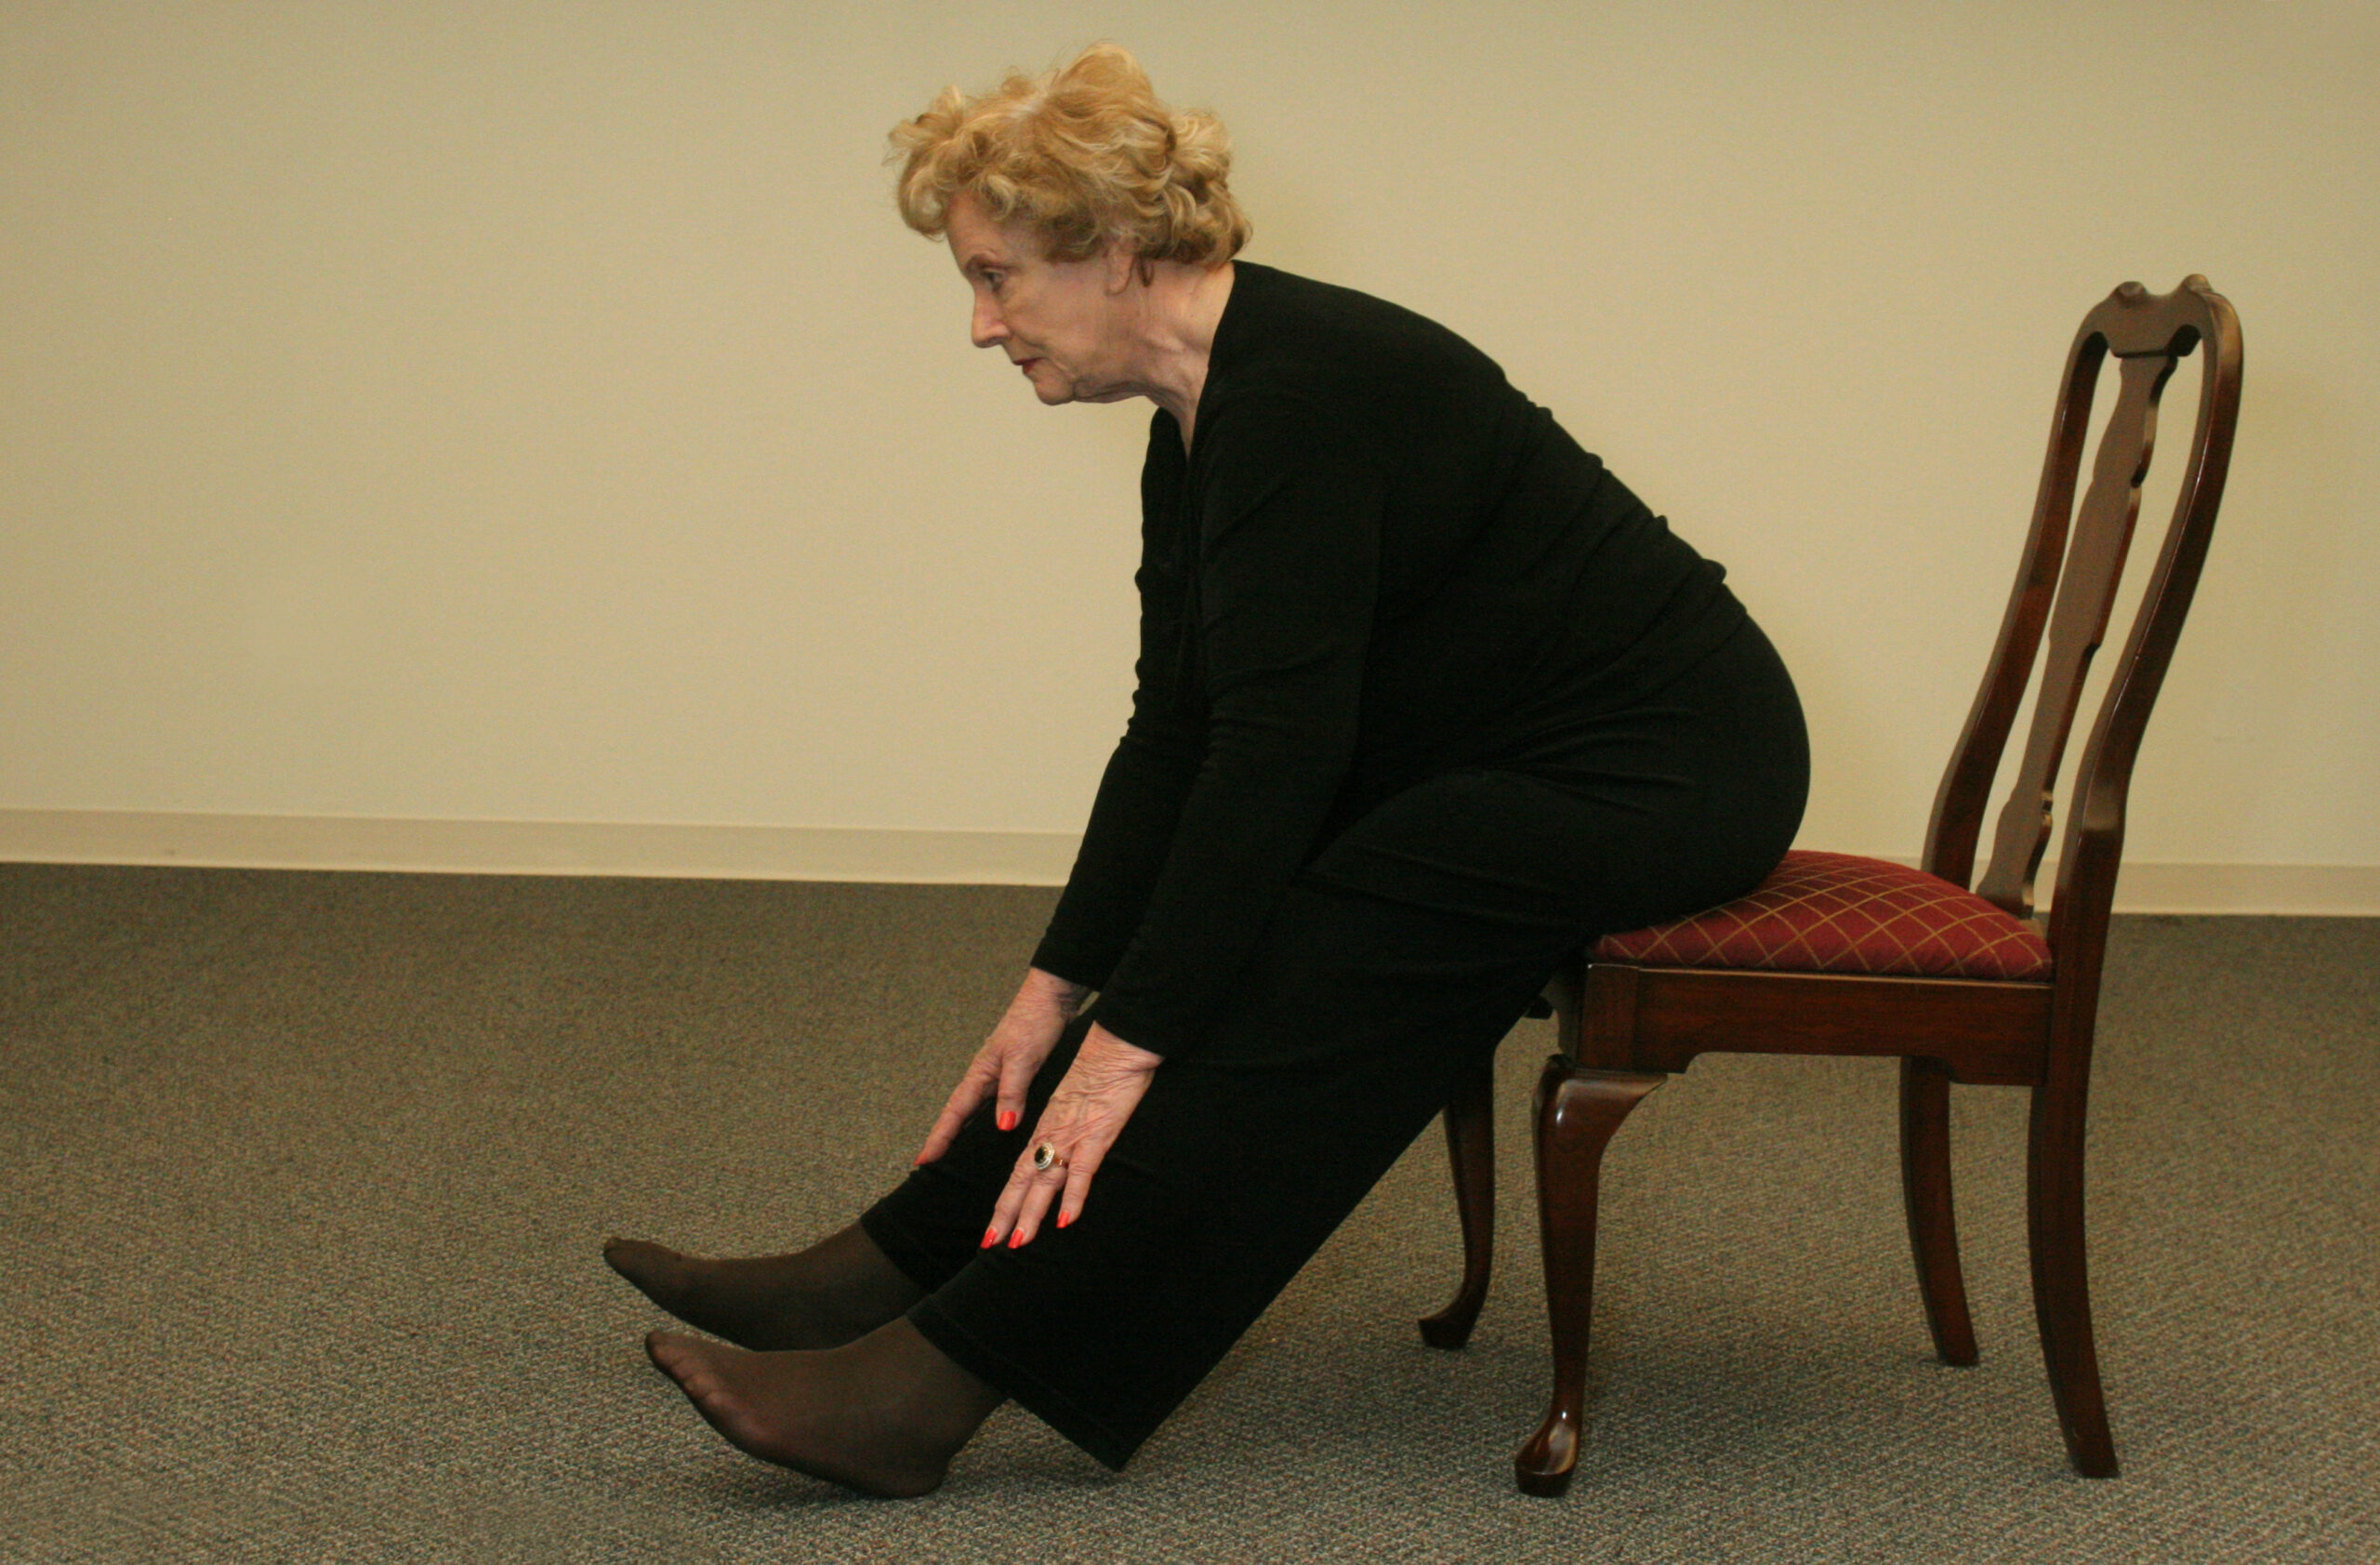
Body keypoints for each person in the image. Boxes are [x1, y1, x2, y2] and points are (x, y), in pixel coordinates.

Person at [604, 42, 1808, 1497]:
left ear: (1112, 253)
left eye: (996, 279)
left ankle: (929, 1390)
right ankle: (878, 1275)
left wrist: (1128, 1046)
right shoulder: (1206, 420)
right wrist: (1058, 987)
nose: (981, 328)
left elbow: (1275, 758)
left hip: (1670, 772)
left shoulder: (1300, 399)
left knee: (1308, 957)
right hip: (1507, 754)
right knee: (1237, 934)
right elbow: (1175, 731)